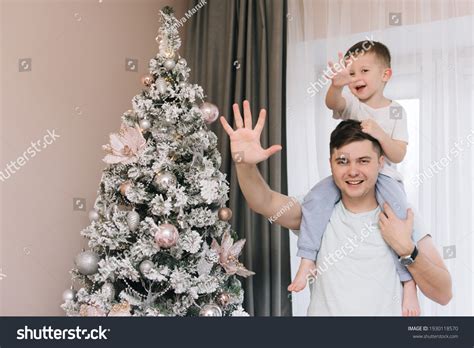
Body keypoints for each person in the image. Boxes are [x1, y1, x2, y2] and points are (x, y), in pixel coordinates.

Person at [219, 101, 452, 315]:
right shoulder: (316, 211)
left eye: (363, 161)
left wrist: (407, 249)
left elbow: (443, 294)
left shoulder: (403, 216)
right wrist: (244, 164)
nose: (352, 171)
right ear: (330, 163)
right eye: (342, 161)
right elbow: (264, 202)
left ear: (381, 163)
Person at [289, 41, 420, 316]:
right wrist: (336, 86)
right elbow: (332, 102)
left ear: (385, 75)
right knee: (315, 201)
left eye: (364, 70)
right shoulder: (350, 104)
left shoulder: (396, 111)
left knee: (398, 224)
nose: (356, 78)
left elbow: (397, 154)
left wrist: (380, 134)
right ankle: (307, 260)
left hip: (384, 179)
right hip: (350, 177)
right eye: (351, 73)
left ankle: (408, 283)